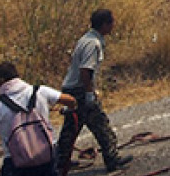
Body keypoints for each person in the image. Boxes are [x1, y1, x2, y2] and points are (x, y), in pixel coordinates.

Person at [55, 9, 132, 176]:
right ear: (104, 24)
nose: (113, 25)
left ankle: (60, 163)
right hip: (80, 91)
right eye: (111, 22)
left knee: (71, 128)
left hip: (71, 89)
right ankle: (112, 160)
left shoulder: (87, 38)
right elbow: (85, 71)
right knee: (101, 125)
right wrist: (89, 94)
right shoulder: (93, 44)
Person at [0, 62, 77, 176]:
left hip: (15, 163)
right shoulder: (40, 91)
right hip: (46, 156)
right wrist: (66, 110)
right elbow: (71, 100)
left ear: (1, 80)